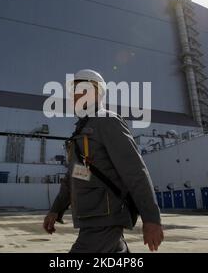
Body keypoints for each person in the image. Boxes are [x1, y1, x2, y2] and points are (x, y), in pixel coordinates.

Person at [43, 69, 163, 253]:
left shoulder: (107, 121)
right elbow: (74, 176)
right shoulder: (82, 130)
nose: (75, 96)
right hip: (92, 218)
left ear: (97, 92)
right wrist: (56, 209)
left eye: (82, 90)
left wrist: (151, 219)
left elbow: (134, 171)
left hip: (104, 219)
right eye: (74, 91)